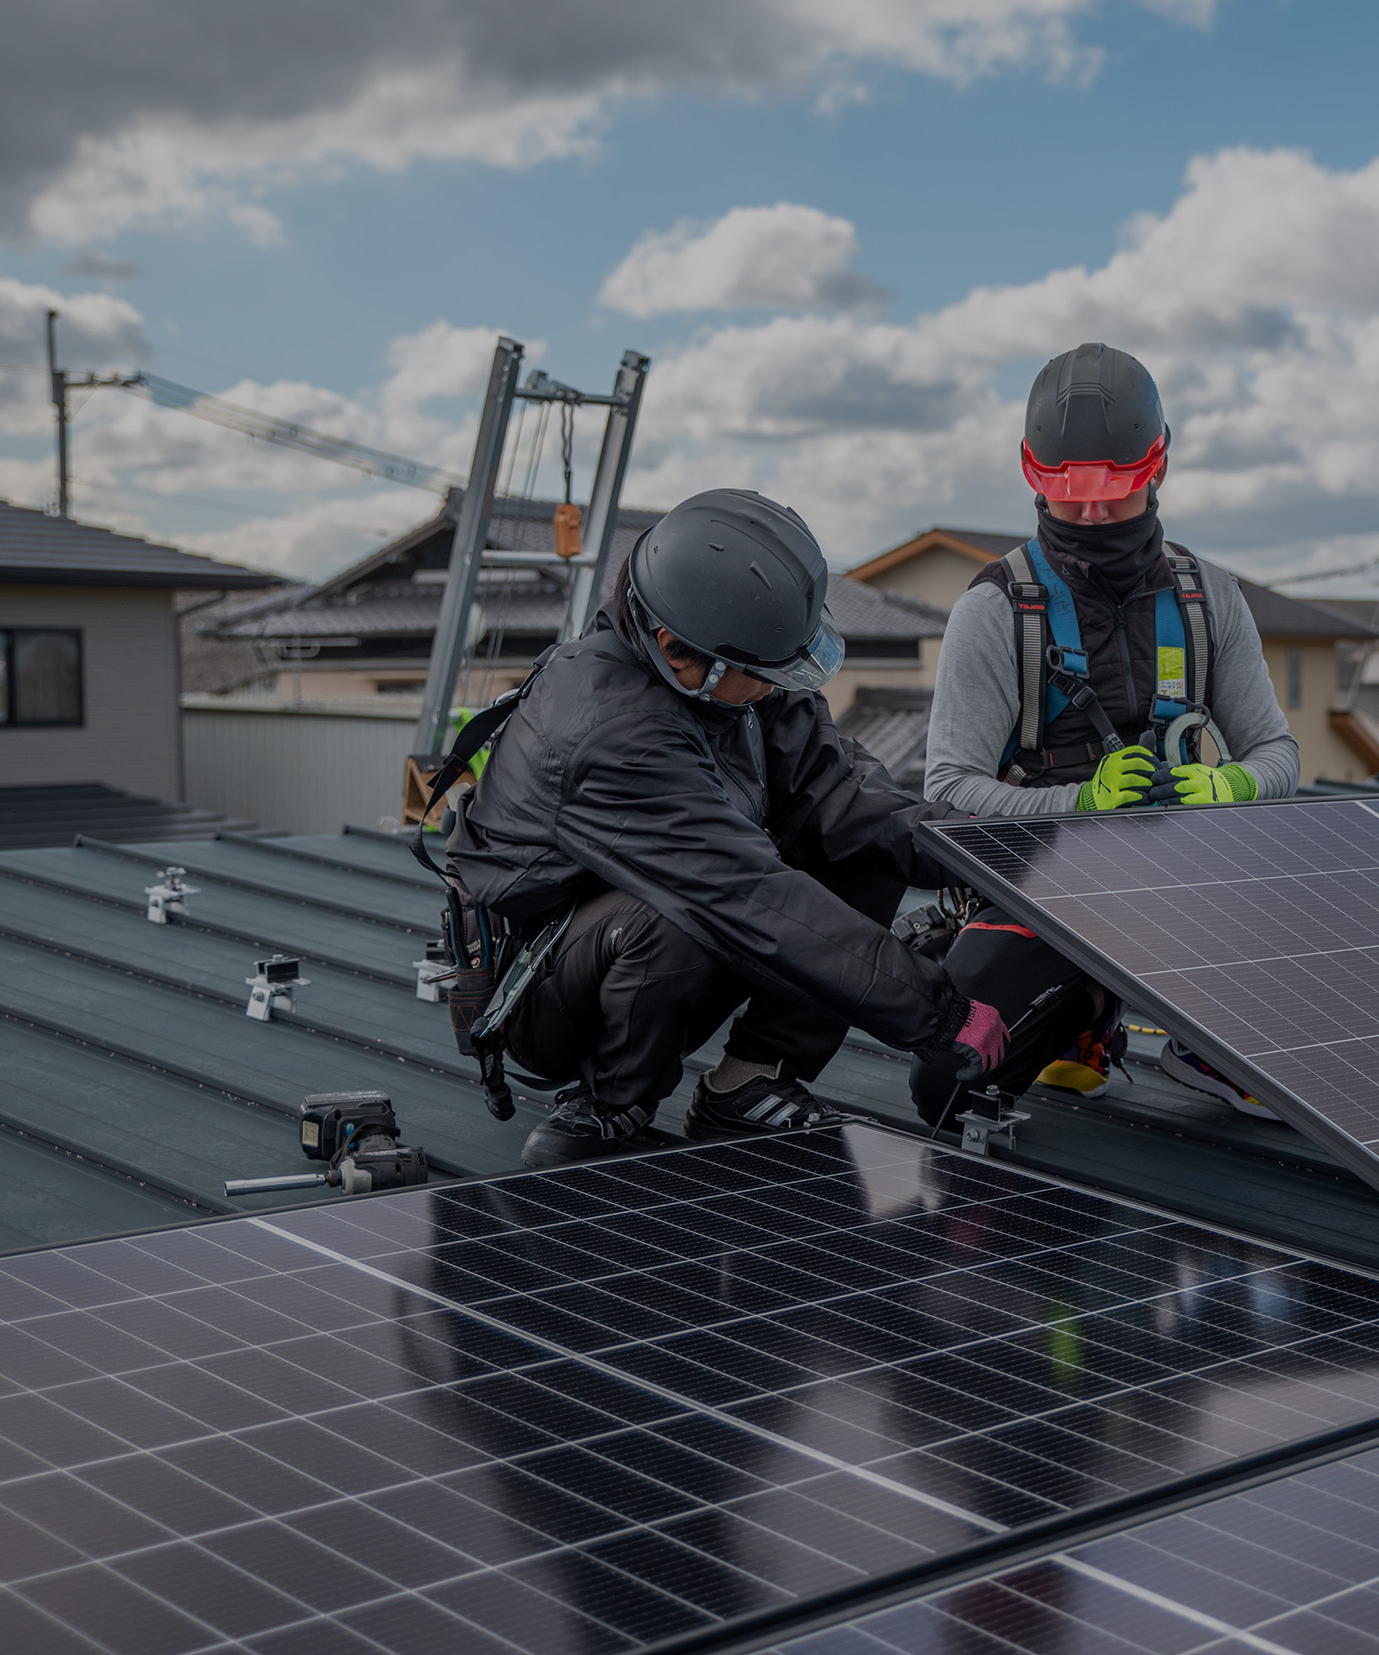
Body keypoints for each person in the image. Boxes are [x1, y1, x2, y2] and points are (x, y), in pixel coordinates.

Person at [445, 488, 1007, 1167]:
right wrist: (940, 1013)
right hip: (546, 991)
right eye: (764, 674)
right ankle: (613, 1100)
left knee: (863, 847)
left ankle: (749, 1080)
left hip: (674, 914)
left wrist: (998, 860)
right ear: (676, 652)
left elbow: (849, 798)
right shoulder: (610, 732)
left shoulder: (729, 665)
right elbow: (747, 896)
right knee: (674, 915)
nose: (777, 687)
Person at [913, 342, 1299, 1123]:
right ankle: (1087, 1009)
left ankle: (1204, 1041)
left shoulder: (1208, 599)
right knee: (947, 1091)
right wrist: (1075, 801)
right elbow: (948, 790)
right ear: (1033, 474)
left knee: (1351, 914)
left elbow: (1278, 755)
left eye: (1112, 493)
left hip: (1184, 883)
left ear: (1156, 468)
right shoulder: (995, 610)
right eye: (1067, 494)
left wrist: (1229, 784)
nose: (1090, 513)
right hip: (1047, 888)